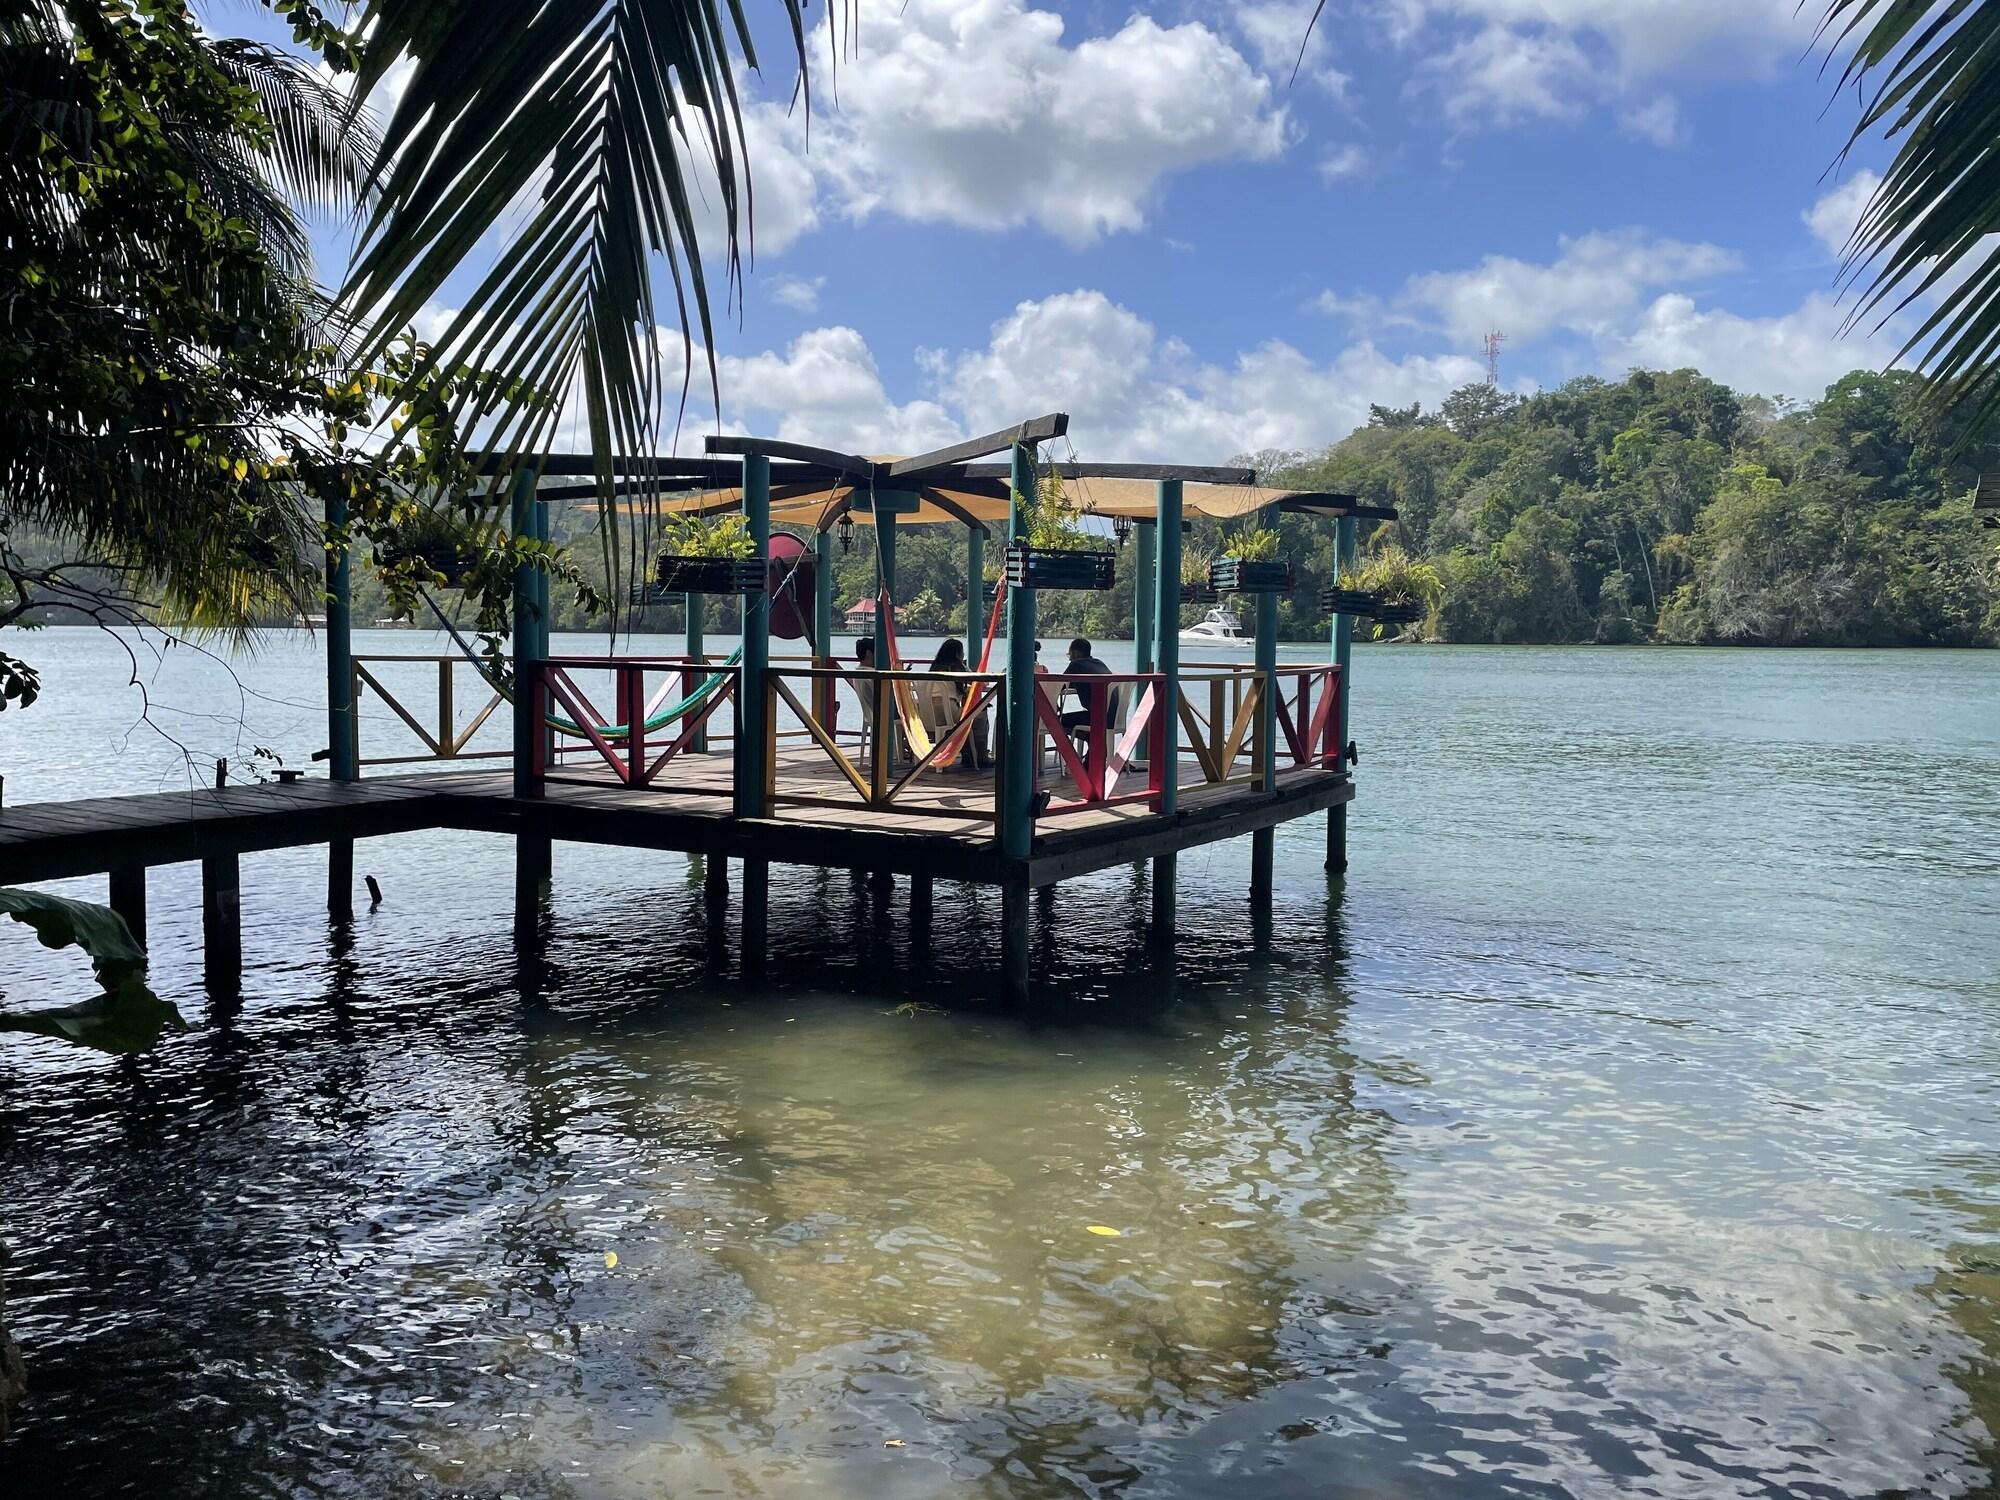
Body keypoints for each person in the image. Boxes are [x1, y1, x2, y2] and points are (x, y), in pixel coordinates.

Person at [926, 638, 992, 770]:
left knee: (969, 716)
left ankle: (968, 754)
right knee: (980, 713)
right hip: (948, 712)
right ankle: (980, 755)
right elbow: (980, 683)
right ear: (957, 654)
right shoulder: (956, 667)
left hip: (928, 714)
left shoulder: (934, 668)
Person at [1059, 637, 1119, 743]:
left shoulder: (1076, 665)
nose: (1069, 659)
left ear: (1076, 653)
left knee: (1055, 721)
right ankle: (1093, 750)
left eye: (1070, 654)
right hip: (1115, 717)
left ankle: (1073, 754)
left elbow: (1059, 686)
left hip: (1097, 717)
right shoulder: (1099, 663)